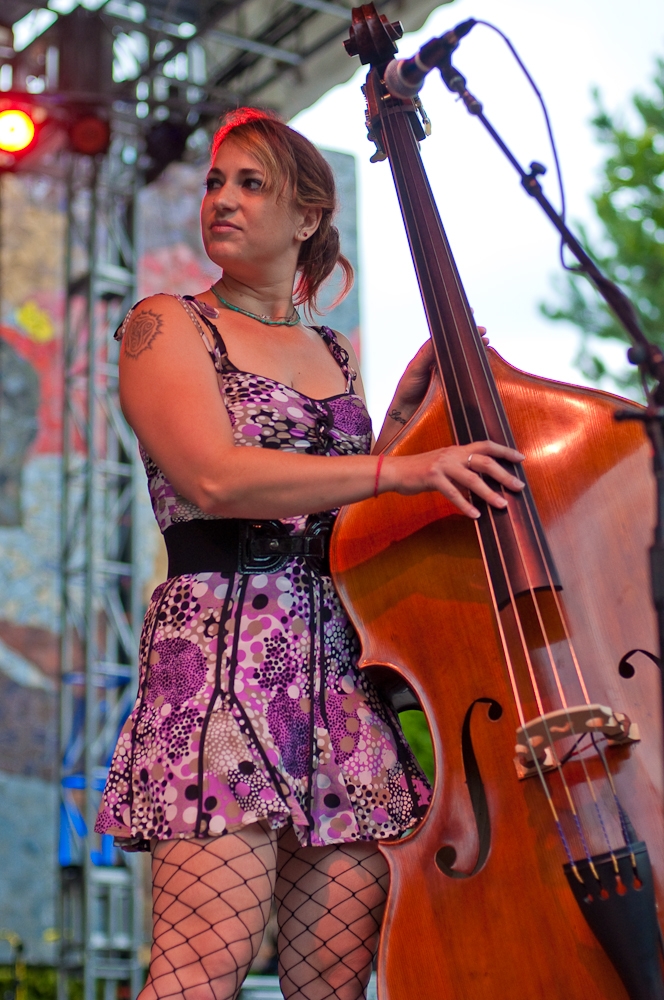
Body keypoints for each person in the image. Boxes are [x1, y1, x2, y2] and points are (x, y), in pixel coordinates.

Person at [95, 108, 525, 1000]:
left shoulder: (333, 350)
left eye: (252, 184)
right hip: (220, 661)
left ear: (308, 218)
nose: (223, 199)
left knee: (337, 982)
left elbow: (343, 511)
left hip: (338, 670)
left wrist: (404, 426)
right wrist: (396, 470)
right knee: (198, 973)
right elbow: (215, 479)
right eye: (217, 181)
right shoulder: (166, 324)